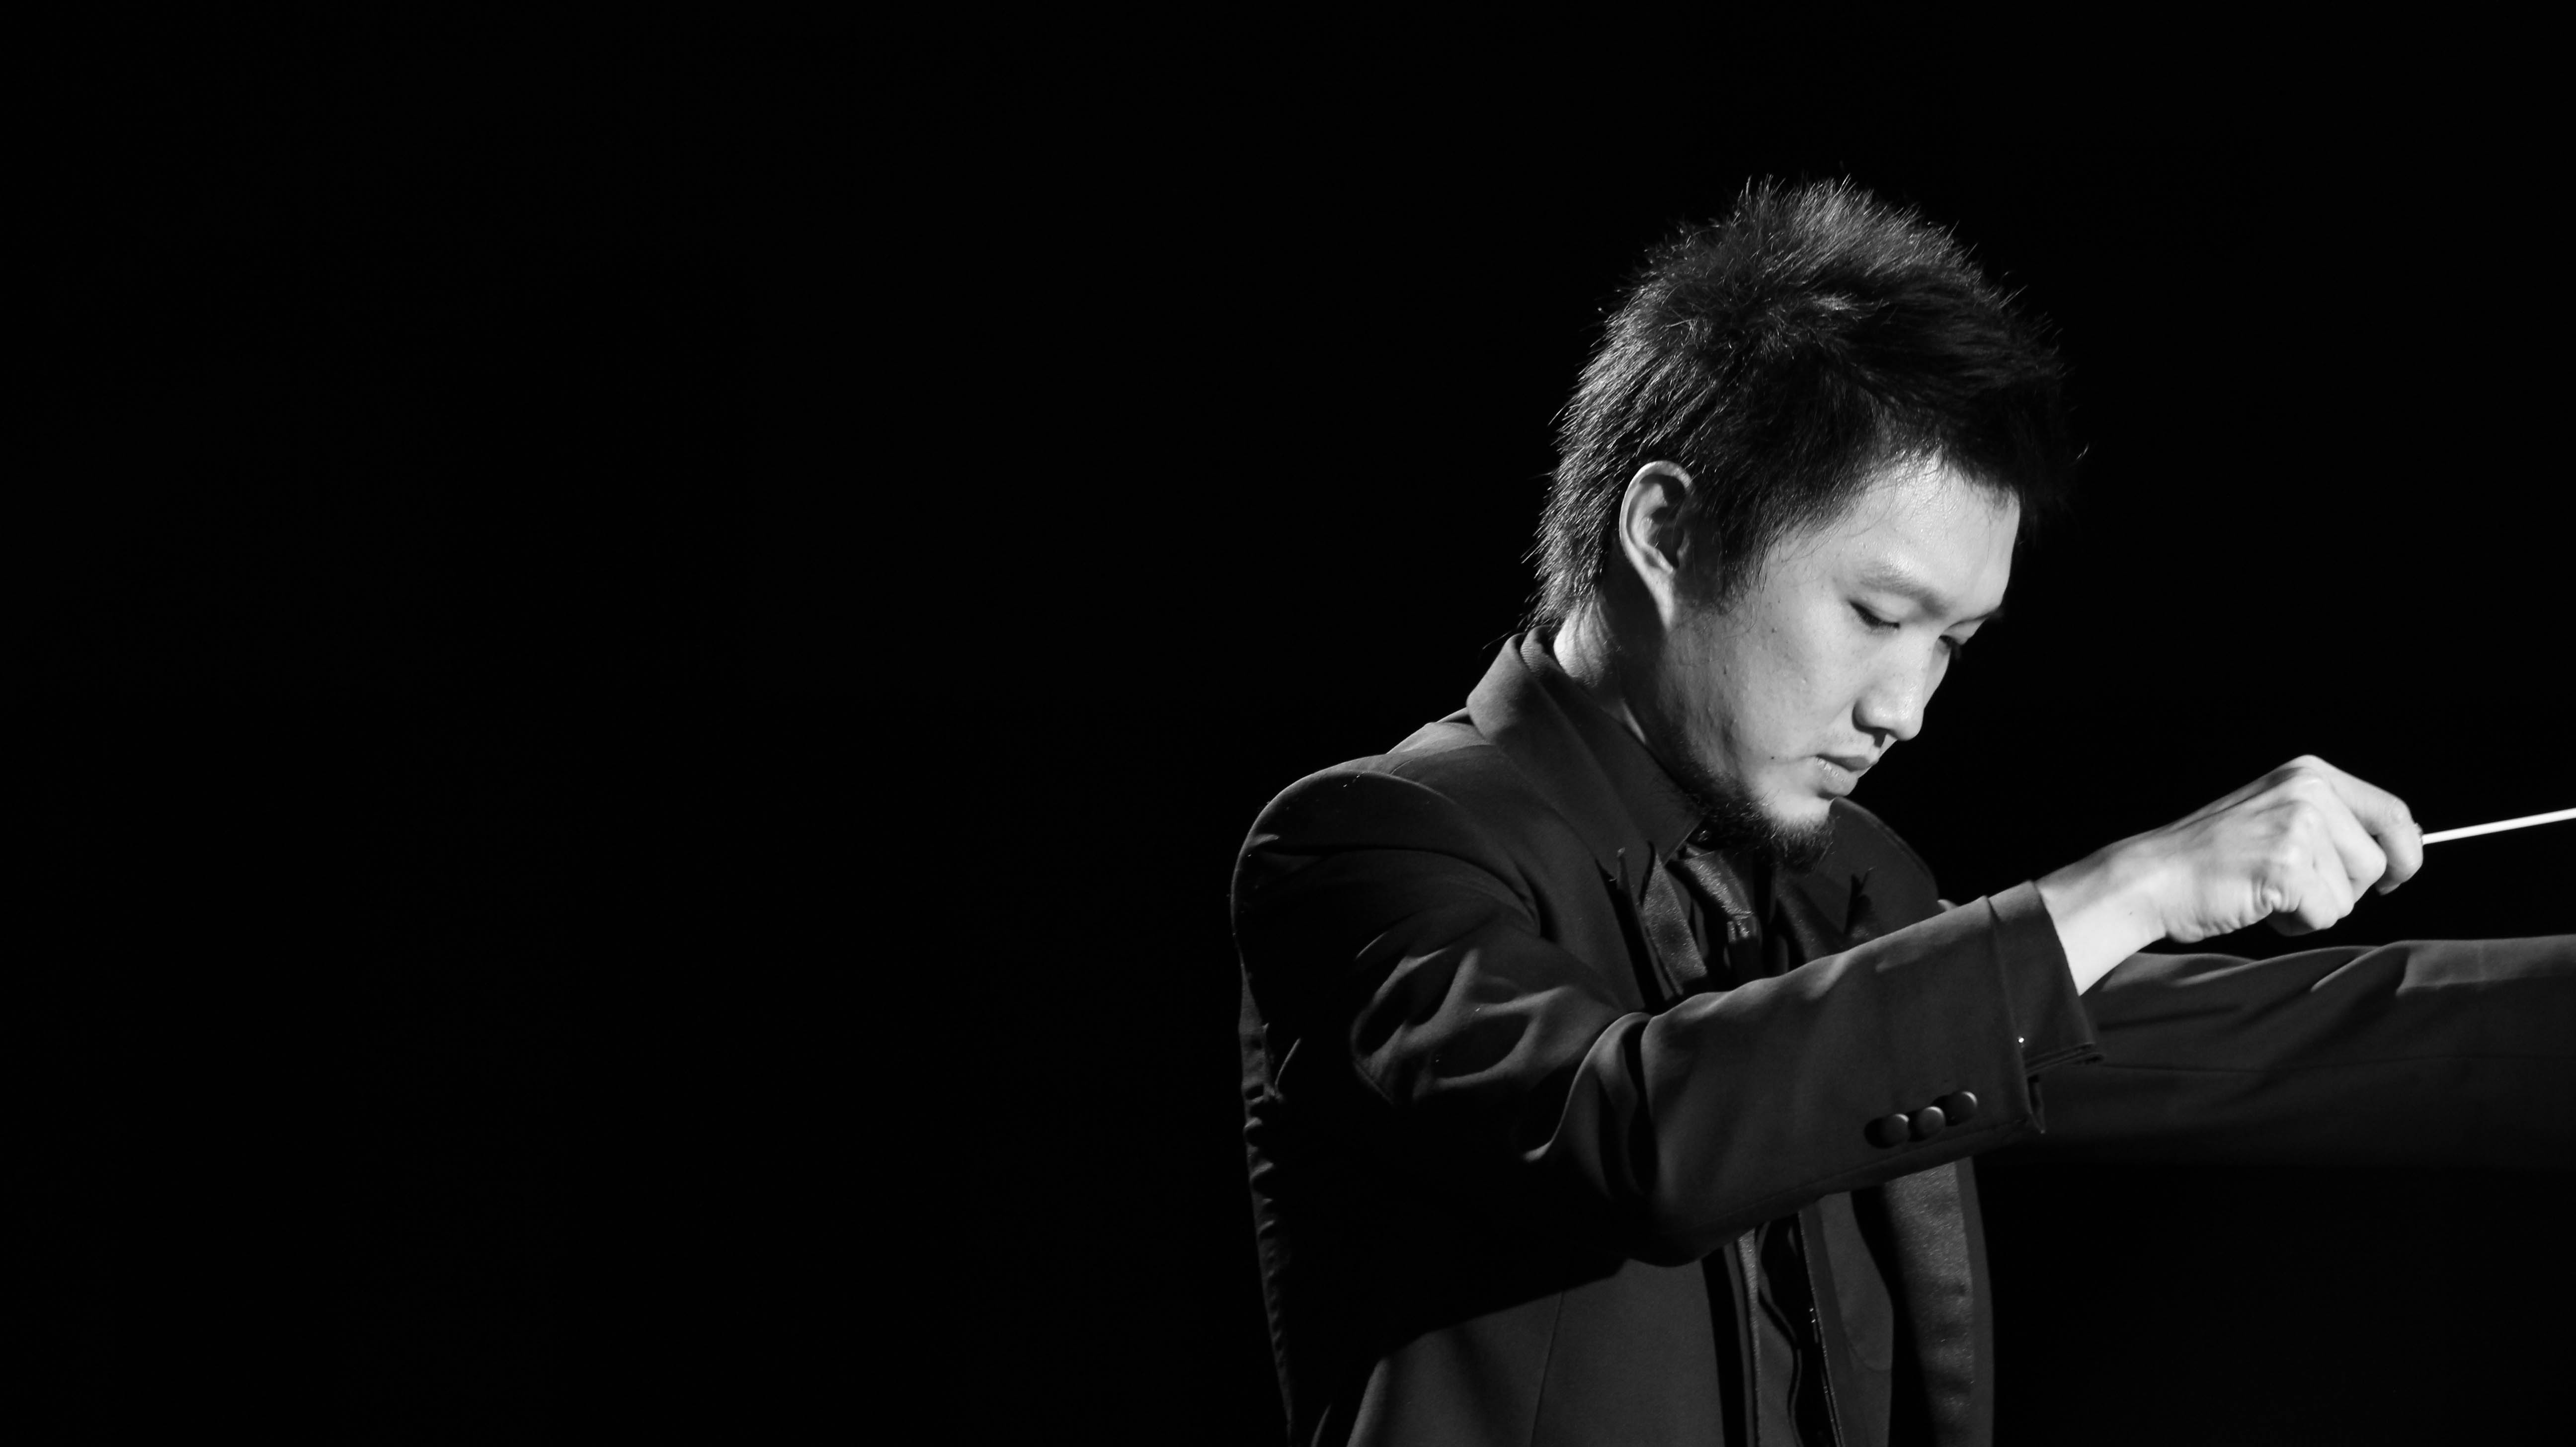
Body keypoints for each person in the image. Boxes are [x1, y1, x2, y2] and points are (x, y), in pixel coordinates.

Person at [1229, 179, 2574, 1447]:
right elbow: (1632, 1133)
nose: (1908, 709)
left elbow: (2248, 1045)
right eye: (1879, 615)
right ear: (1666, 530)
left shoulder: (1855, 875)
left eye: (1955, 644)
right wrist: (2136, 884)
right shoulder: (1368, 840)